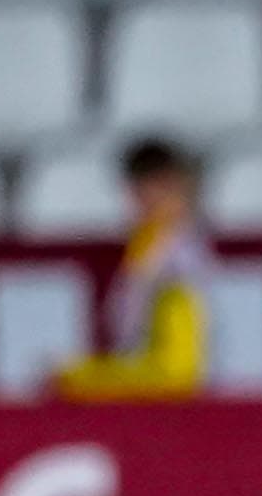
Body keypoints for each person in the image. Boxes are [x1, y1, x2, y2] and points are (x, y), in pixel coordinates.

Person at [58, 140, 215, 402]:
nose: (146, 201)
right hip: (145, 367)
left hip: (178, 378)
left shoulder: (185, 246)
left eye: (162, 190)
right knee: (65, 377)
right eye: (140, 192)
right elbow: (123, 320)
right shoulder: (144, 241)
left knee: (69, 379)